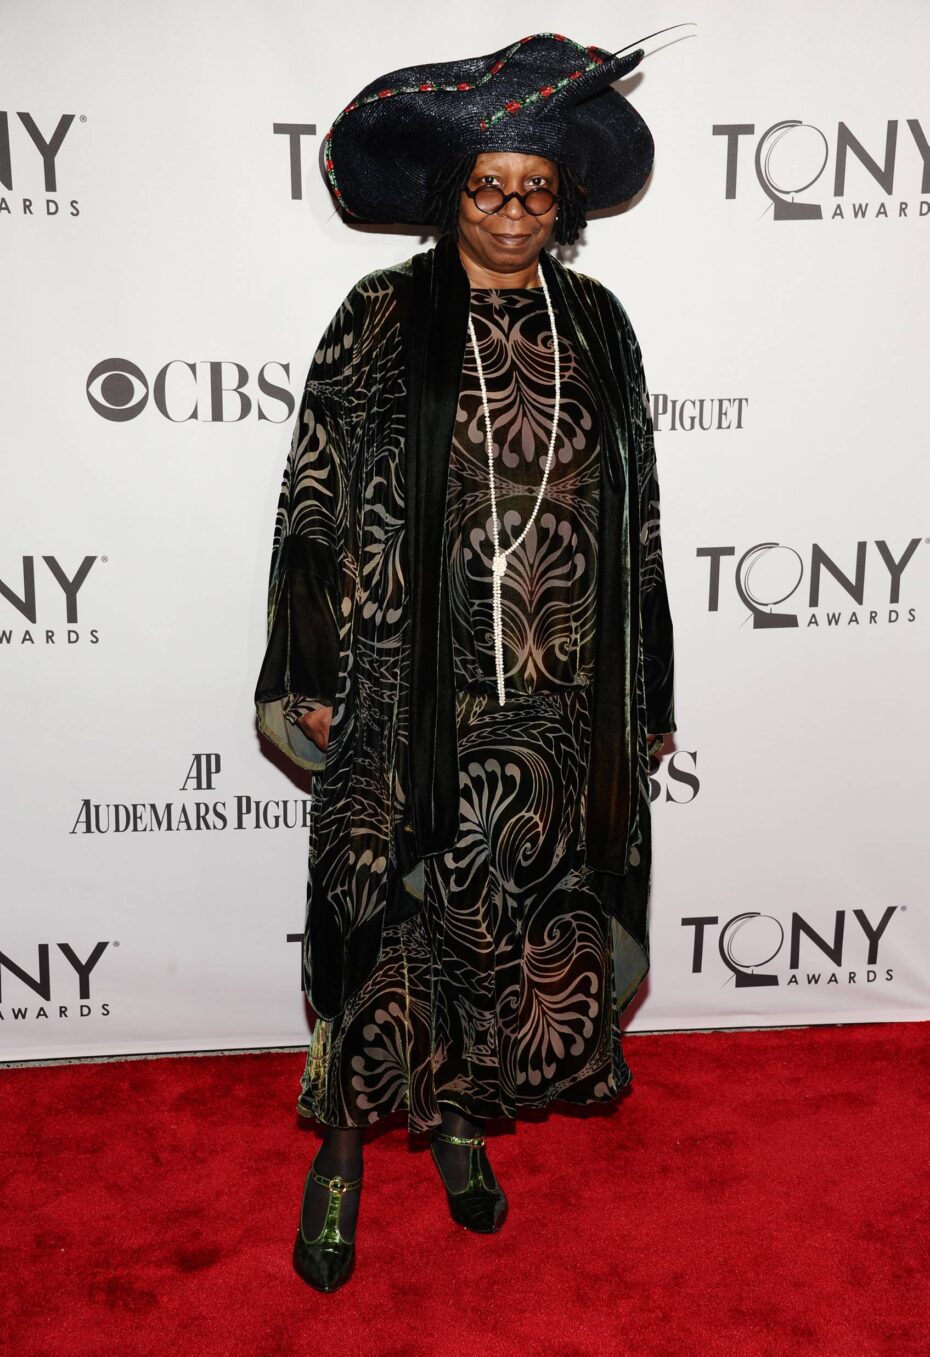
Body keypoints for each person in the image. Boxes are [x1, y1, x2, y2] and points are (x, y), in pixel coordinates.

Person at [254, 31, 677, 1293]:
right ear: (450, 200)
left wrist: (643, 692)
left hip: (552, 705)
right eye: (488, 189)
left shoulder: (598, 322)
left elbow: (642, 509)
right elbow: (314, 493)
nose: (512, 212)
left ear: (568, 205)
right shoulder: (380, 314)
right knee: (378, 922)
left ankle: (453, 1127)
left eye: (536, 191)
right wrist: (307, 659)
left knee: (498, 932)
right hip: (397, 690)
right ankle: (341, 1151)